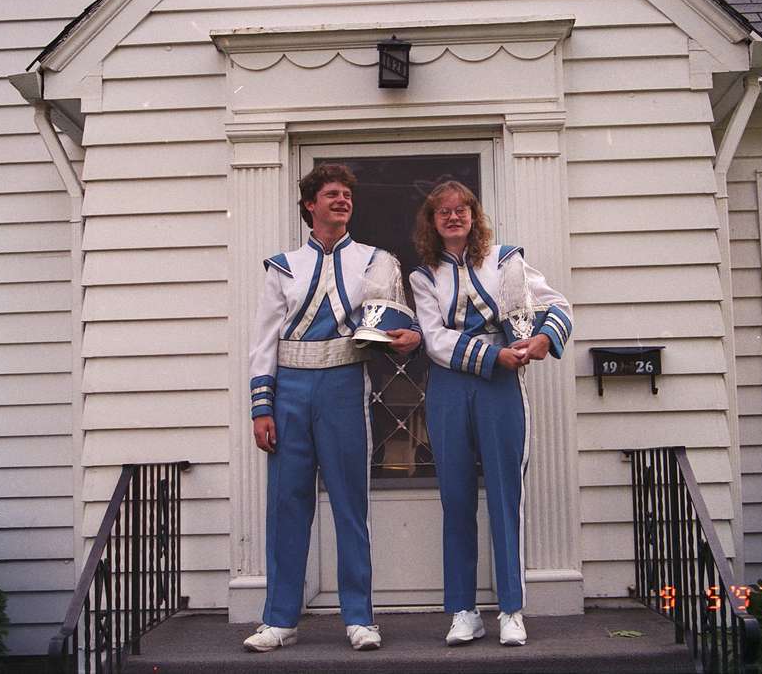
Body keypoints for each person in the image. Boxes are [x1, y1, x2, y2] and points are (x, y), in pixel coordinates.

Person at [244, 164, 421, 652]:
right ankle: (280, 619)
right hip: (292, 392)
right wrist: (263, 408)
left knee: (350, 504)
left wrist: (405, 338)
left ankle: (360, 617)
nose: (341, 201)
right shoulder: (283, 266)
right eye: (331, 195)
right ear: (310, 205)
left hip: (346, 384)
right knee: (287, 505)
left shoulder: (375, 261)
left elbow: (390, 322)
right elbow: (263, 342)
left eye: (346, 195)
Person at [409, 181, 573, 647]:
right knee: (455, 498)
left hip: (503, 386)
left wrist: (541, 340)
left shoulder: (505, 260)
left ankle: (511, 610)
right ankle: (463, 611)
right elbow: (435, 339)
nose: (453, 217)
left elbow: (557, 305)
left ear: (474, 215)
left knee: (506, 496)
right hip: (449, 386)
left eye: (462, 209)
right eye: (443, 211)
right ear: (432, 220)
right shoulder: (422, 277)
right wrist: (489, 358)